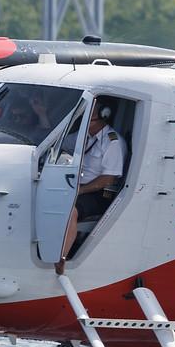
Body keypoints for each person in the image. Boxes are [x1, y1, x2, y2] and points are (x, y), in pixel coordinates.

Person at [57, 104, 126, 272]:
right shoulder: (83, 136)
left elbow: (108, 179)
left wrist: (80, 190)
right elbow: (61, 143)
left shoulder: (112, 142)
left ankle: (61, 257)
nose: (85, 121)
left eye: (90, 117)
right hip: (78, 187)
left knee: (70, 210)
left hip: (98, 193)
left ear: (104, 115)